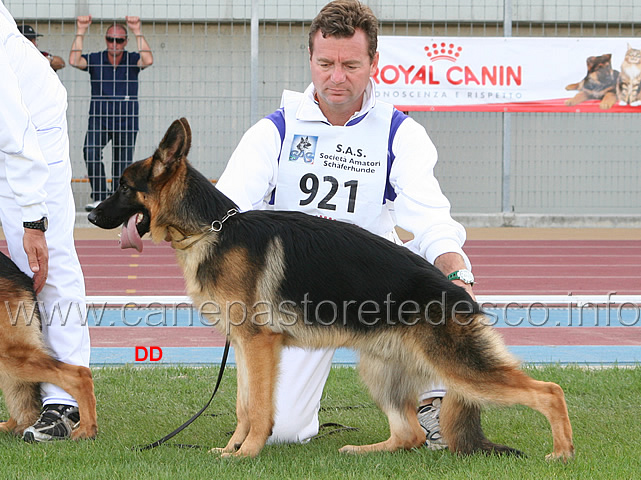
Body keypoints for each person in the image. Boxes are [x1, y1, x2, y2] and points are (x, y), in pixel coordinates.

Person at [216, 0, 476, 450]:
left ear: (374, 63)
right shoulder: (275, 130)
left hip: (374, 282)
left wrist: (458, 276)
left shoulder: (400, 132)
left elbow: (430, 216)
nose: (337, 77)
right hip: (300, 293)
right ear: (311, 61)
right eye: (326, 63)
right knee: (282, 433)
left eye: (351, 65)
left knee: (428, 274)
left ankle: (430, 401)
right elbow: (228, 212)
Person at [0, 4, 91, 442]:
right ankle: (25, 407)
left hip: (31, 128)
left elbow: (15, 136)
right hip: (11, 130)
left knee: (42, 265)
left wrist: (34, 221)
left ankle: (65, 402)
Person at [68, 15, 153, 211]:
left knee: (121, 164)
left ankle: (116, 202)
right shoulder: (96, 58)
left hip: (126, 120)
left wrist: (137, 29)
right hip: (100, 118)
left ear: (125, 42)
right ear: (106, 40)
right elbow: (74, 60)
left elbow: (148, 59)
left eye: (119, 40)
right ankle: (99, 195)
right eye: (110, 39)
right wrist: (81, 29)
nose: (114, 44)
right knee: (90, 152)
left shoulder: (131, 59)